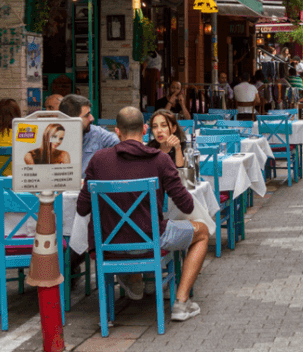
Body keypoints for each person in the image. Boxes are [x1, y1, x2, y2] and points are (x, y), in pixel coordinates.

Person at [76, 106, 208, 322]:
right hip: (151, 239)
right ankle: (181, 303)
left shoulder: (98, 160)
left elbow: (82, 208)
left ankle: (131, 284)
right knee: (202, 232)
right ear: (145, 128)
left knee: (119, 230)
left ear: (117, 131)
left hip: (108, 244)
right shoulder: (160, 160)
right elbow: (185, 205)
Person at [59, 94, 118, 175]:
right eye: (87, 115)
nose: (92, 118)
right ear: (72, 120)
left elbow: (122, 144)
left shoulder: (97, 133)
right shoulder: (53, 137)